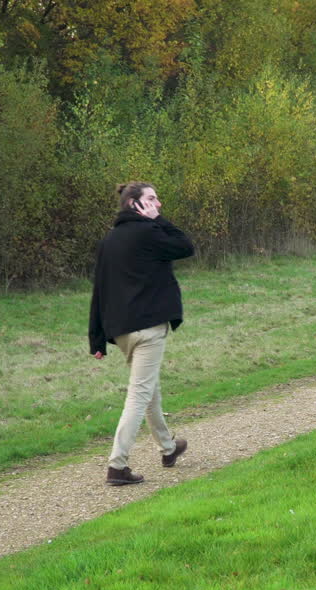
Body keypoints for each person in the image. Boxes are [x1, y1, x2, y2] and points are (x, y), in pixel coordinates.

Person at [89, 182, 194, 486]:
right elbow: (186, 246)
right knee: (139, 395)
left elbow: (99, 291)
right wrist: (158, 221)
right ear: (134, 204)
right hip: (148, 329)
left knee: (149, 390)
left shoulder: (109, 240)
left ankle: (169, 448)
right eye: (151, 199)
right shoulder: (150, 231)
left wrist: (96, 338)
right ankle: (117, 465)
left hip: (121, 332)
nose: (158, 204)